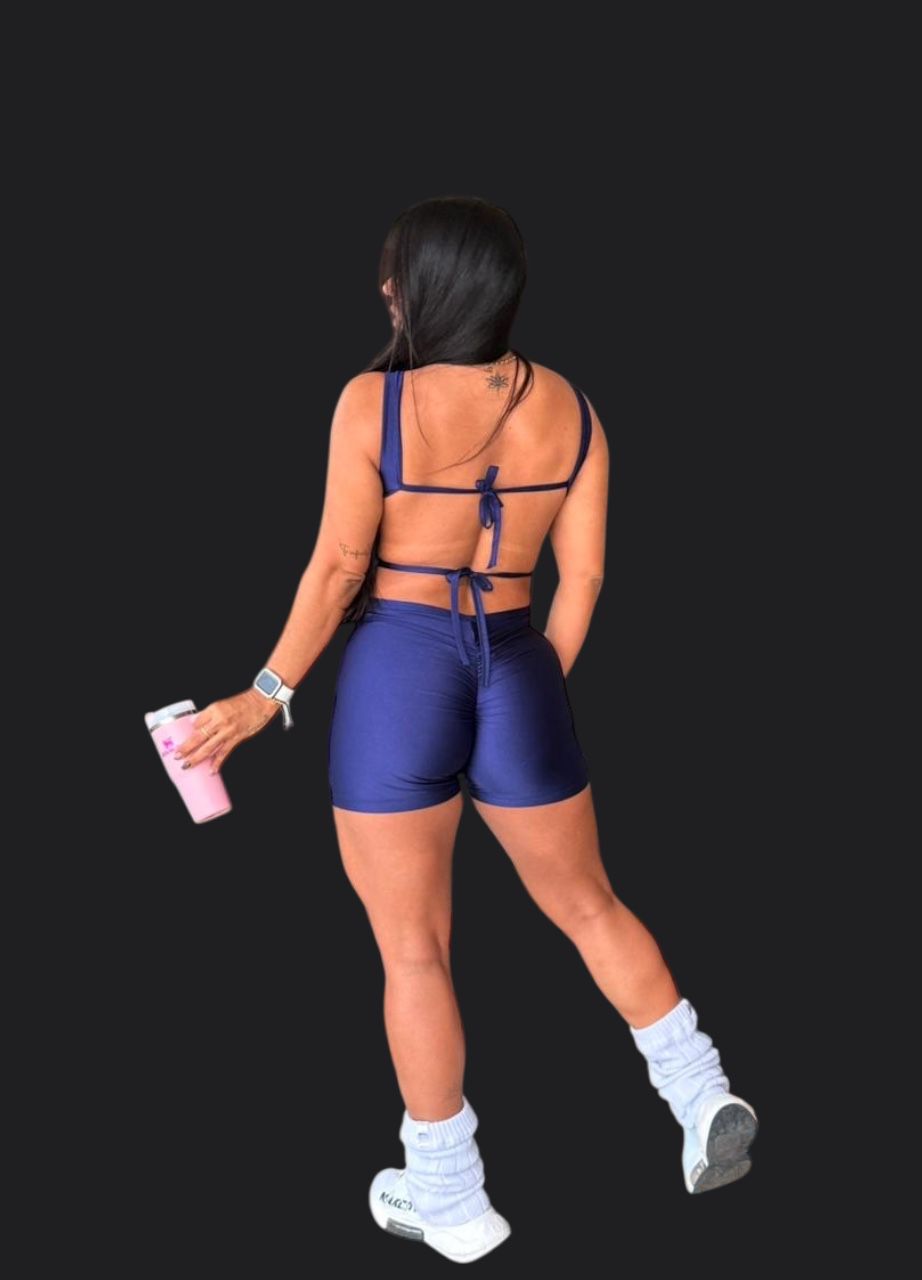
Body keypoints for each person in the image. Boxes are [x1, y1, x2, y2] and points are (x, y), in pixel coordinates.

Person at [173, 195, 758, 1263]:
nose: (384, 290)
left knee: (414, 948)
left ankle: (449, 1194)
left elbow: (340, 567)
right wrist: (525, 689)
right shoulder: (573, 407)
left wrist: (264, 693)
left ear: (418, 289)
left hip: (401, 669)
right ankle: (701, 1092)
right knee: (590, 903)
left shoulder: (374, 400)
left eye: (393, 275)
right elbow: (584, 576)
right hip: (519, 656)